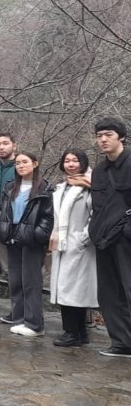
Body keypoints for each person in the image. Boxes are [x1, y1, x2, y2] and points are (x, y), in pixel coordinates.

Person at [0, 152, 53, 337]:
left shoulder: (45, 189)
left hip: (31, 240)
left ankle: (35, 323)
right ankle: (19, 317)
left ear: (35, 163)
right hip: (12, 237)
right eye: (18, 163)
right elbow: (0, 209)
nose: (21, 166)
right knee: (15, 280)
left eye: (25, 162)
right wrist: (0, 225)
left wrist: (38, 235)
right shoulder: (11, 187)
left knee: (31, 281)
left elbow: (48, 216)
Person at [89, 117, 131, 357]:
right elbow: (98, 206)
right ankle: (121, 342)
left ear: (121, 137)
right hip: (104, 239)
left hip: (126, 238)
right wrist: (94, 232)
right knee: (108, 293)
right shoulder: (99, 170)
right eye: (99, 135)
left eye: (108, 135)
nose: (103, 140)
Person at [49, 148, 96, 347]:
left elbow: (96, 214)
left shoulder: (90, 187)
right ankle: (77, 332)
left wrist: (84, 238)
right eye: (67, 160)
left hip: (79, 244)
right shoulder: (62, 187)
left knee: (74, 290)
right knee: (65, 288)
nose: (70, 164)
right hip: (61, 243)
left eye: (75, 161)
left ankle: (73, 332)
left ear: (83, 163)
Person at [0, 132, 17, 300]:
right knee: (6, 268)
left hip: (15, 224)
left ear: (14, 145)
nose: (1, 147)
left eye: (5, 143)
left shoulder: (20, 167)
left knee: (18, 268)